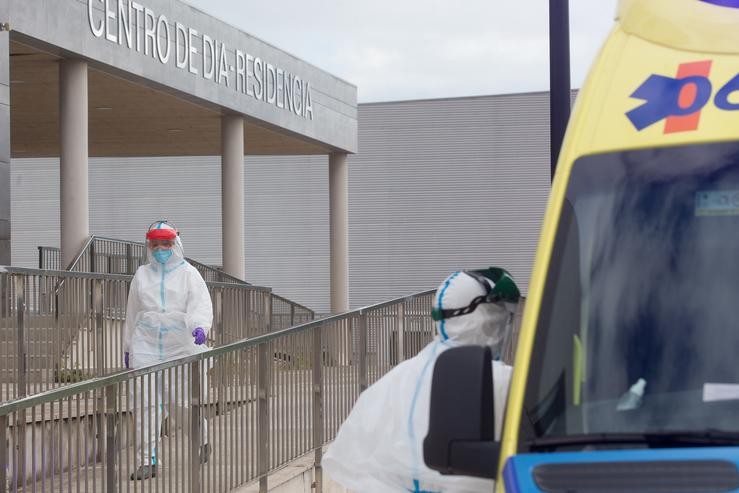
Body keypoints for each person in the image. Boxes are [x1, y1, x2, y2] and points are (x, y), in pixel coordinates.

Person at [322, 267, 520, 493]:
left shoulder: (394, 381)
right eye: (498, 317)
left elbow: (353, 460)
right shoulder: (502, 381)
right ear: (483, 320)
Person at [123, 220, 214, 480]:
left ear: (175, 245)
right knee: (145, 404)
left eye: (166, 243)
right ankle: (147, 460)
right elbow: (132, 313)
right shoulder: (142, 275)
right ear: (149, 246)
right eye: (156, 244)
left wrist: (199, 327)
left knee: (180, 403)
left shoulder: (189, 274)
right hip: (146, 343)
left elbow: (200, 303)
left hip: (179, 344)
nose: (161, 248)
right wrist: (128, 346)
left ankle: (202, 438)